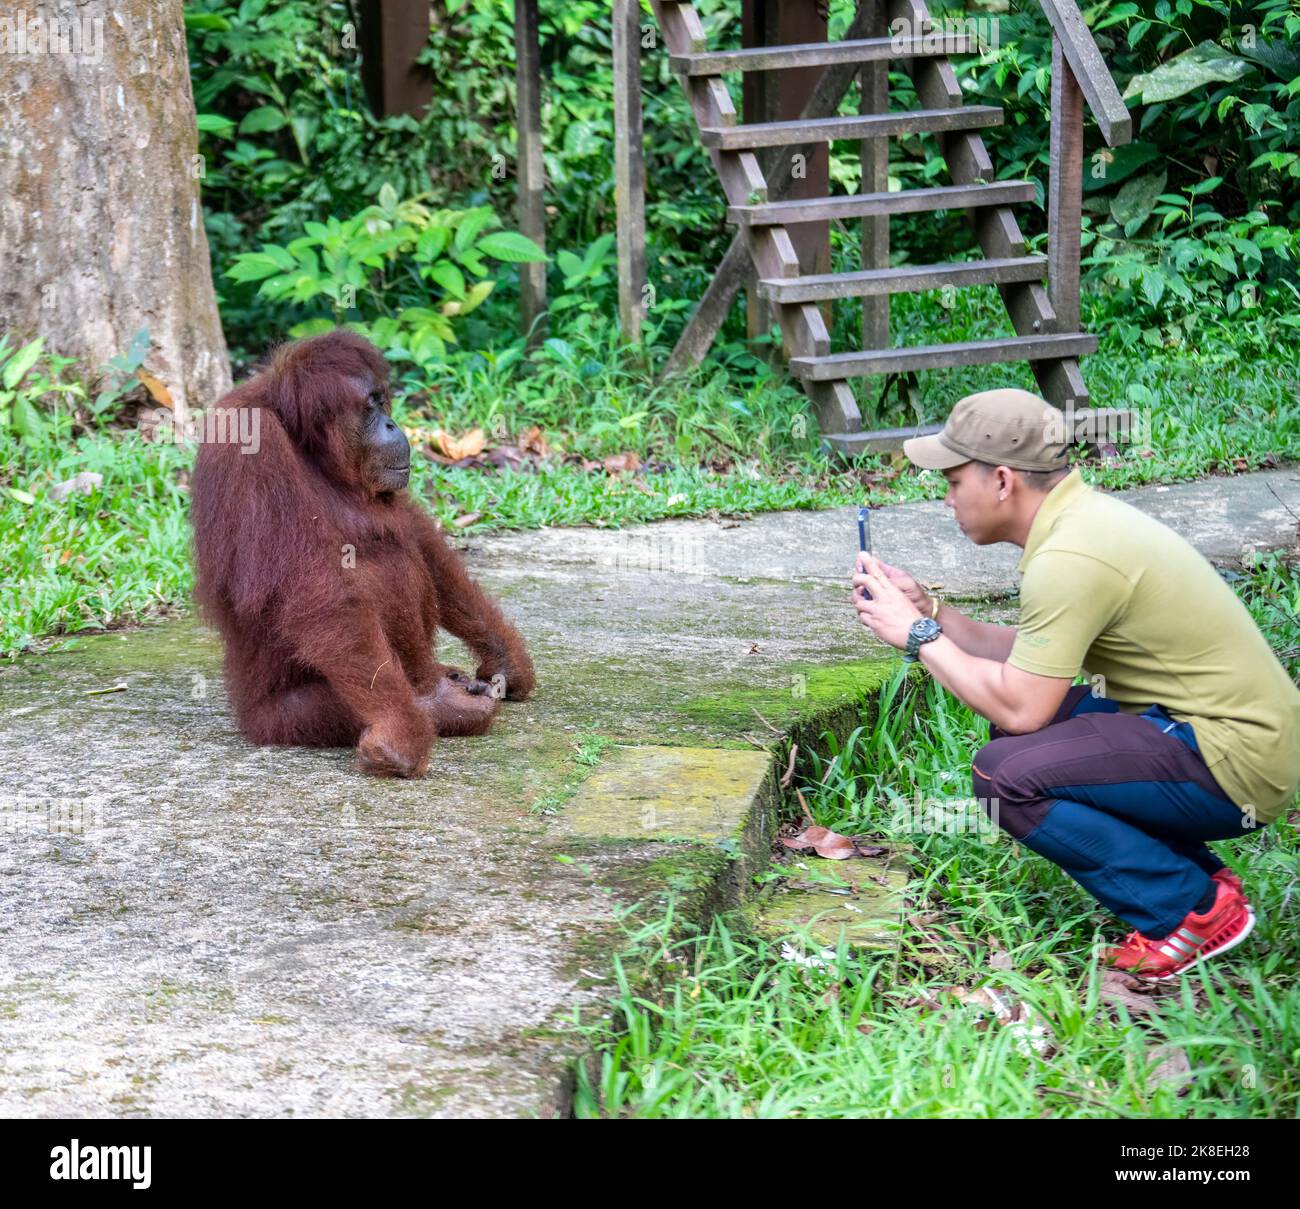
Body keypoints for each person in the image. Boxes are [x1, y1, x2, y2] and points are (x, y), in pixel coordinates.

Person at [852, 387, 1300, 980]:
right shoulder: (1081, 524)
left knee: (1003, 773)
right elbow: (1032, 663)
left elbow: (1021, 708)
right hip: (1224, 734)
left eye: (954, 480)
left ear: (1004, 481)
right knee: (1032, 737)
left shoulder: (1070, 556)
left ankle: (1188, 910)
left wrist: (916, 636)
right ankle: (1195, 878)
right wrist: (933, 612)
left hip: (1235, 761)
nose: (946, 497)